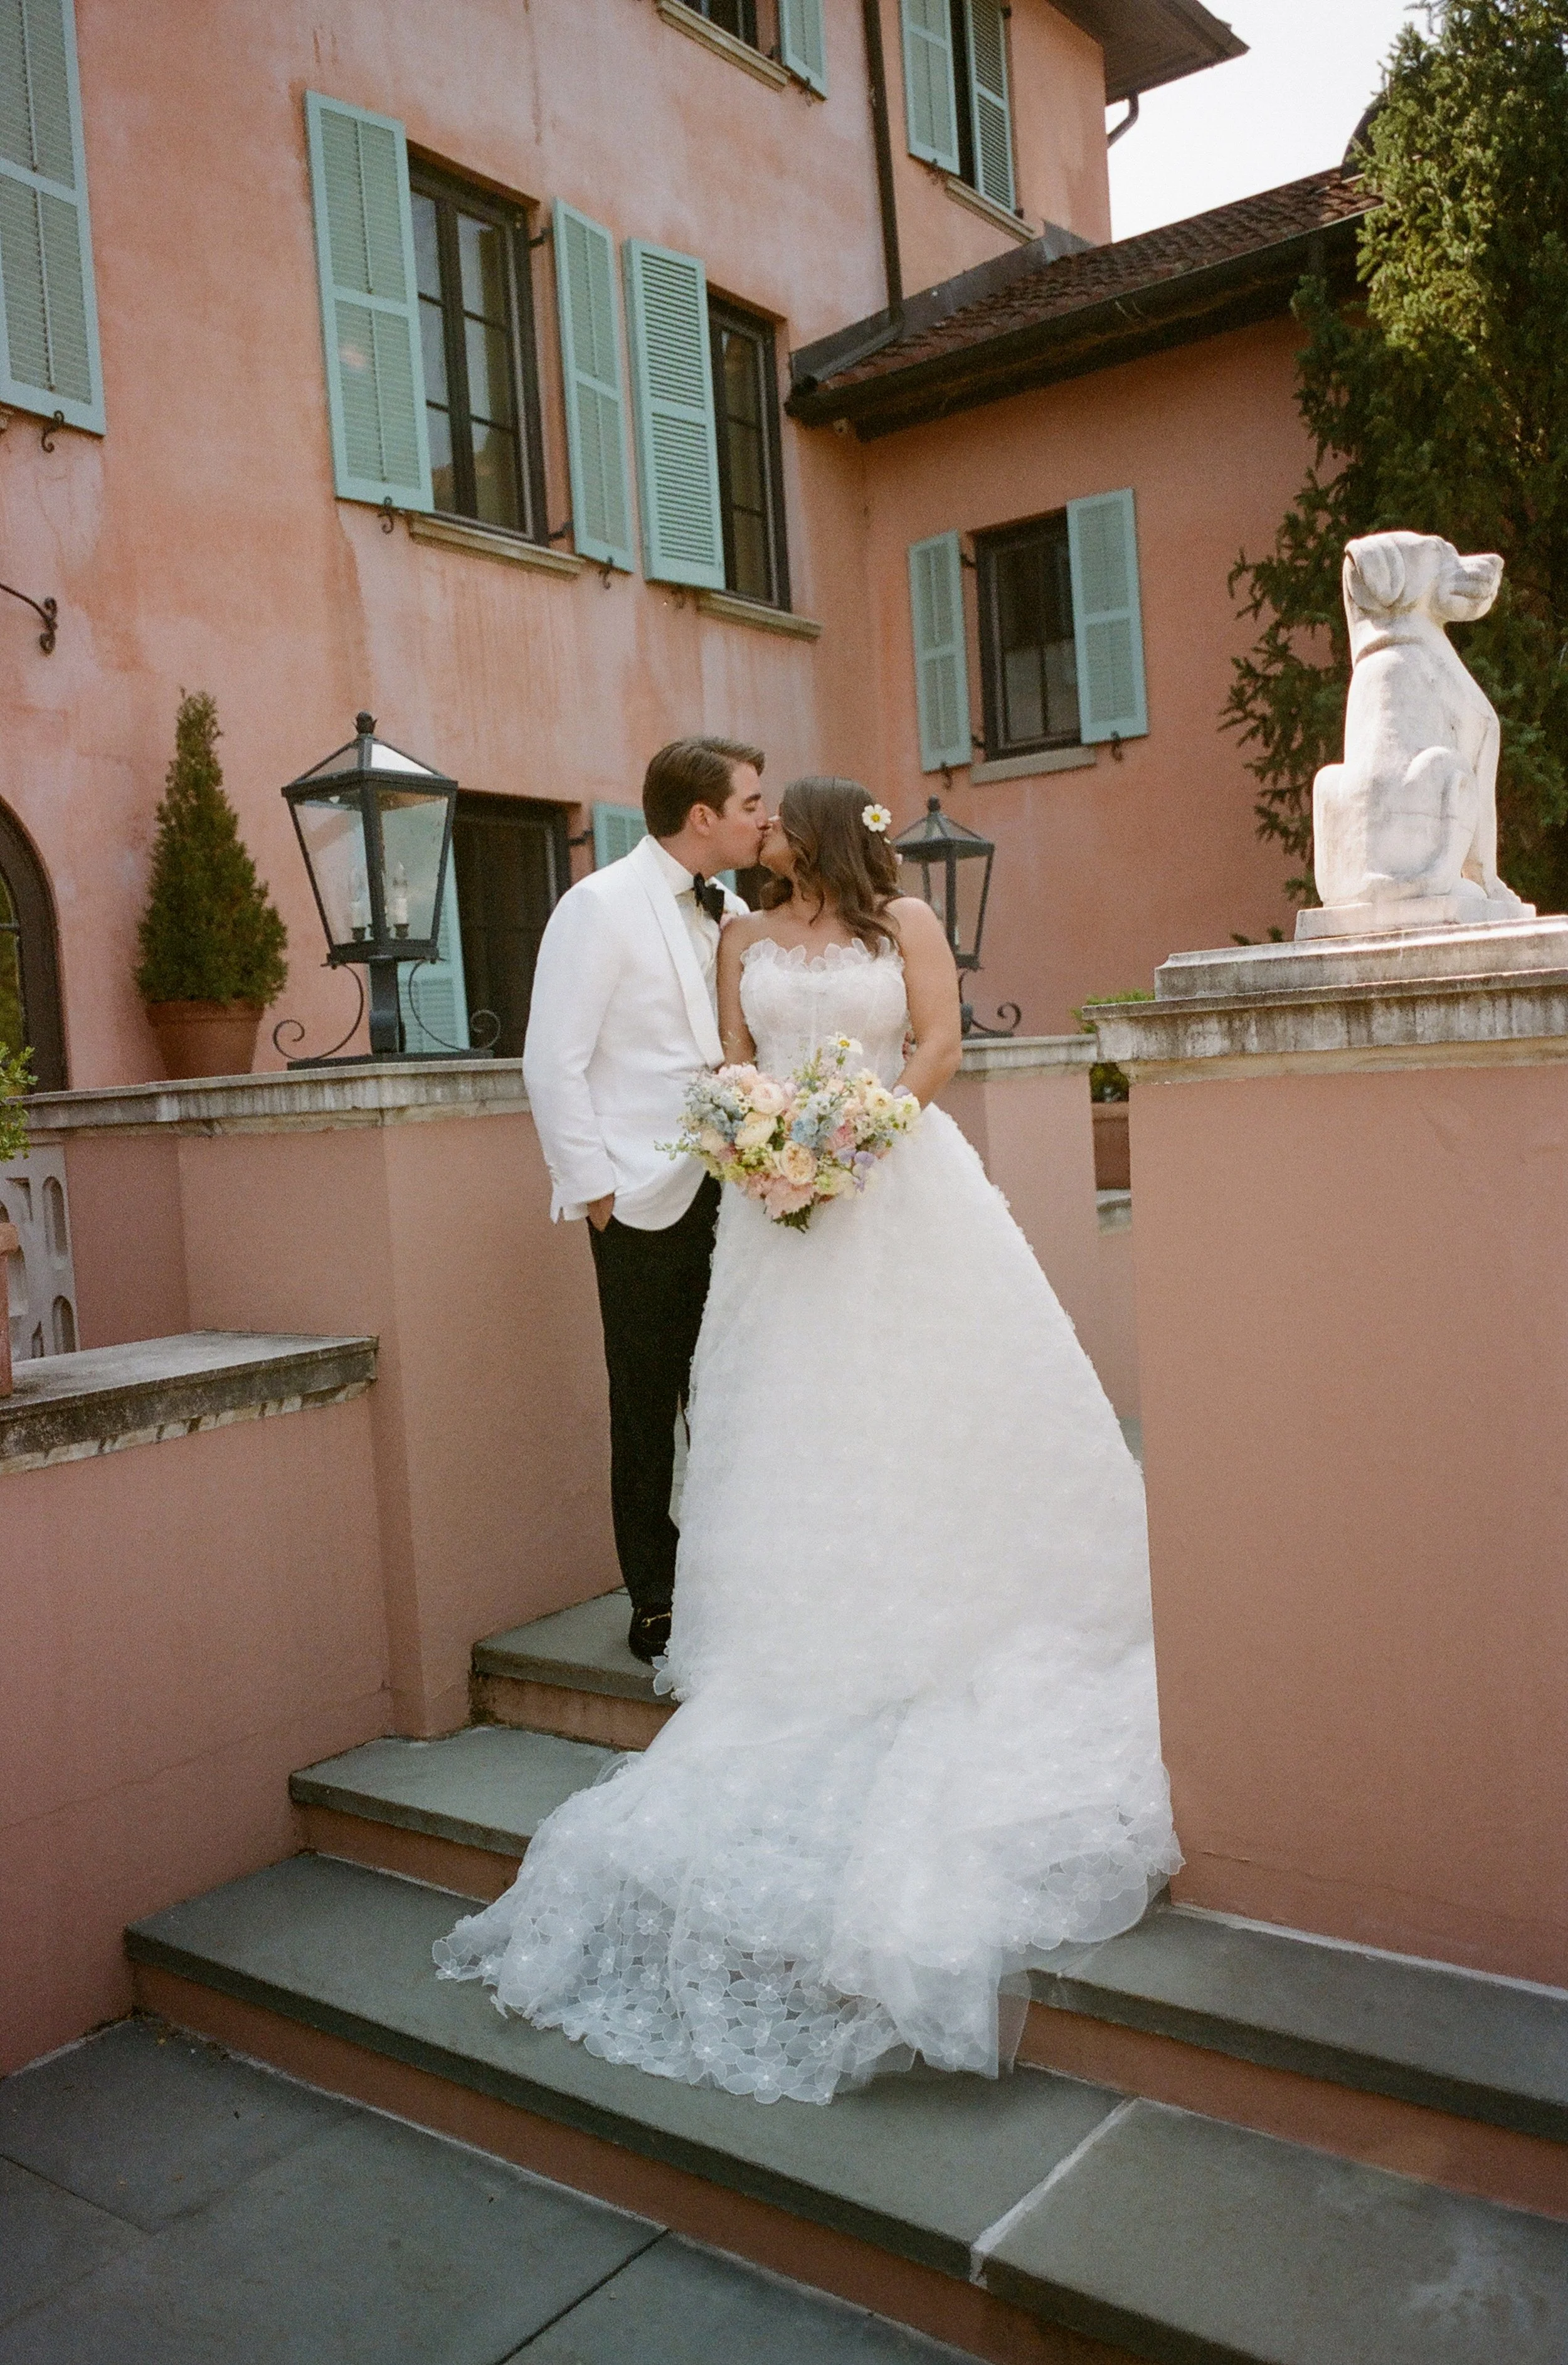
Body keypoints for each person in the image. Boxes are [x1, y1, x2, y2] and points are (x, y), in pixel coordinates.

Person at [440, 776, 1179, 2105]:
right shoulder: (739, 936)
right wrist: (761, 1142)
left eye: (778, 816)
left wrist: (855, 1142)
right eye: (749, 810)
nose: (762, 830)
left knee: (926, 1401)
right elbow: (729, 1060)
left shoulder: (906, 925)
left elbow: (938, 1047)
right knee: (785, 1418)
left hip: (897, 1190)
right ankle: (793, 1622)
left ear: (823, 831)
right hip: (772, 1219)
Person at [521, 736, 766, 1663]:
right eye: (750, 802)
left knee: (732, 1388)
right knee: (646, 1399)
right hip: (640, 1198)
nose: (762, 815)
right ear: (701, 816)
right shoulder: (597, 906)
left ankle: (729, 1575)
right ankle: (656, 1593)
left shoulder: (732, 908)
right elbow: (553, 1062)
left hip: (736, 1190)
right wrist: (595, 1193)